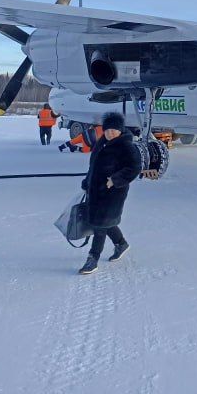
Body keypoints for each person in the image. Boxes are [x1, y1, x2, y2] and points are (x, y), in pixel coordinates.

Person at [78, 112, 142, 275]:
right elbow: (94, 166)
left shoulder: (126, 146)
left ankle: (93, 259)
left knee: (100, 225)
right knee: (106, 222)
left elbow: (134, 168)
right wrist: (87, 181)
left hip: (113, 192)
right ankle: (121, 244)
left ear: (120, 130)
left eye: (114, 130)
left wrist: (115, 180)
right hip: (96, 190)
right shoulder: (102, 143)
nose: (110, 133)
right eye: (107, 130)